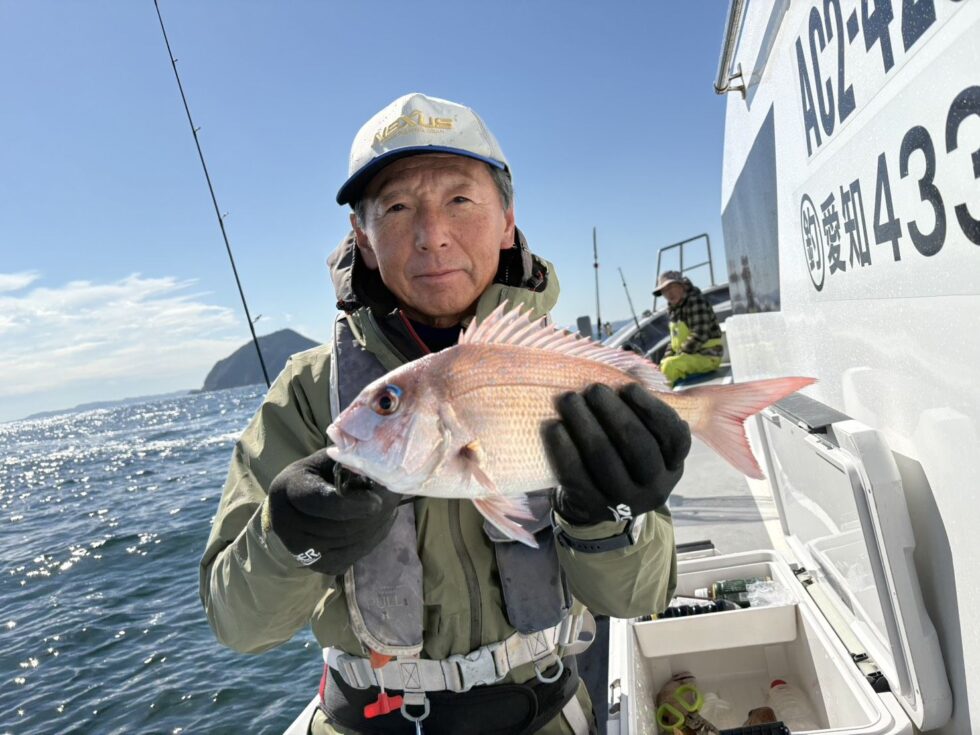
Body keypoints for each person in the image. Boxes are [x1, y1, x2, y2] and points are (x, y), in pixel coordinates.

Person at [200, 92, 691, 735]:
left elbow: (640, 598)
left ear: (507, 220)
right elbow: (237, 625)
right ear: (363, 239)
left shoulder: (568, 371)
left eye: (460, 199)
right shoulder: (307, 392)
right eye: (397, 207)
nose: (432, 233)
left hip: (545, 712)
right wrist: (288, 539)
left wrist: (608, 518)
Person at [654, 271, 724, 386]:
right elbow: (673, 341)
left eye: (671, 287)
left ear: (681, 285)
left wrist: (676, 357)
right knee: (659, 369)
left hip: (707, 356)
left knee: (670, 366)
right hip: (688, 355)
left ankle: (661, 397)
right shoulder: (673, 308)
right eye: (664, 290)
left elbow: (700, 334)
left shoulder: (696, 301)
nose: (668, 293)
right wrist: (664, 359)